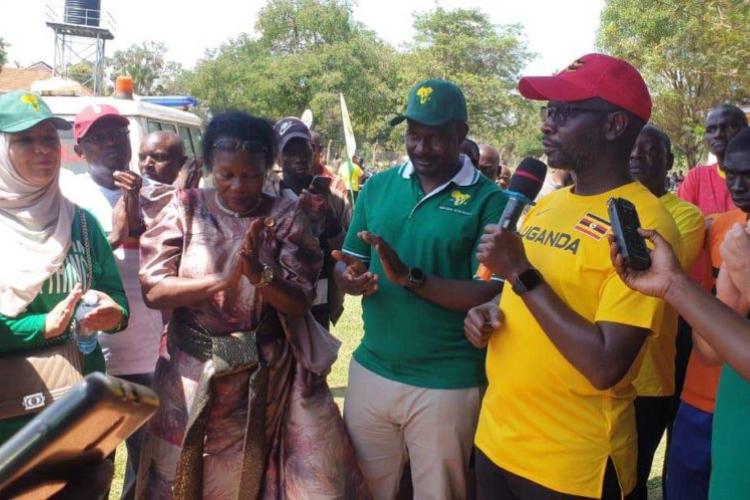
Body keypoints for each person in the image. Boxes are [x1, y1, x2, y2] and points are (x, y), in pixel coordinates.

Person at [469, 53, 681, 499]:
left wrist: (521, 273)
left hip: (570, 466)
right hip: (497, 440)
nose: (548, 124)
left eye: (565, 112)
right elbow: (525, 297)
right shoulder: (549, 203)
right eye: (548, 112)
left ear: (614, 125)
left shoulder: (644, 222)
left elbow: (606, 364)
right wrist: (490, 310)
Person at [136, 111, 367, 499]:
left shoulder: (285, 215)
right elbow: (154, 290)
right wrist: (220, 282)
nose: (239, 185)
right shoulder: (184, 207)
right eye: (227, 175)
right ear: (210, 166)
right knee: (181, 476)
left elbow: (300, 301)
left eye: (252, 175)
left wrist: (260, 275)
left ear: (267, 170)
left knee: (254, 477)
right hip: (191, 375)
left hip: (265, 376)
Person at [336, 79, 507, 499]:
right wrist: (352, 279)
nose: (421, 147)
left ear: (461, 134)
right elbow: (350, 262)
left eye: (435, 138)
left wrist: (411, 278)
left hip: (447, 382)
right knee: (362, 489)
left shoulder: (491, 202)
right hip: (372, 369)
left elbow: (485, 291)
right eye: (414, 135)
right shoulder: (378, 187)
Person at [609, 129, 750, 498]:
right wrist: (684, 285)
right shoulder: (730, 232)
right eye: (731, 174)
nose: (739, 185)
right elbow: (708, 347)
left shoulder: (693, 223)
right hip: (718, 407)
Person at [0, 91, 129, 445]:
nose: (43, 150)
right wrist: (40, 327)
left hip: (77, 408)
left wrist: (112, 313)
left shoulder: (80, 223)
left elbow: (116, 297)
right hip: (8, 423)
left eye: (48, 139)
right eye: (25, 140)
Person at [60, 104, 163, 499]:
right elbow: (60, 270)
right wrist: (114, 235)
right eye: (99, 137)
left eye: (119, 135)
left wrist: (138, 204)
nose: (111, 144)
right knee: (92, 470)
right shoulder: (65, 196)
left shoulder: (158, 195)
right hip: (88, 356)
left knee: (148, 468)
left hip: (150, 355)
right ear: (81, 150)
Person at [628, 124, 705, 499]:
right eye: (632, 151)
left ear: (670, 161)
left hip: (648, 375)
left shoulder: (685, 217)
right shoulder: (609, 207)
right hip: (592, 370)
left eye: (649, 152)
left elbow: (656, 280)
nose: (637, 158)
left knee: (633, 480)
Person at [266, 117, 351, 329]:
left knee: (318, 360)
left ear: (313, 151)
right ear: (278, 155)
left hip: (319, 300)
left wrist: (328, 216)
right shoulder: (267, 197)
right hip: (276, 299)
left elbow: (346, 254)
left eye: (304, 148)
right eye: (289, 150)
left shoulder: (334, 198)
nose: (299, 157)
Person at [678, 103, 748, 215]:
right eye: (710, 130)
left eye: (726, 127)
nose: (717, 134)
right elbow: (682, 223)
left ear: (745, 130)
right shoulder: (696, 178)